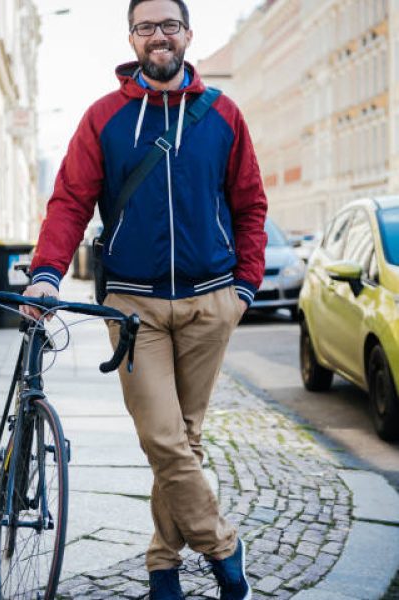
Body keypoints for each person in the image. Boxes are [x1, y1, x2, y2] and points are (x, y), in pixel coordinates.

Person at [23, 1, 267, 598]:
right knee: (163, 437)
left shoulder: (224, 116)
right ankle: (224, 549)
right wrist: (48, 272)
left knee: (185, 438)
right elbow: (70, 202)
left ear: (187, 35)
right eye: (146, 27)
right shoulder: (104, 118)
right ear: (131, 38)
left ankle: (163, 563)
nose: (159, 36)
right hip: (135, 308)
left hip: (212, 302)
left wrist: (244, 288)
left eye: (170, 25)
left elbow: (250, 206)